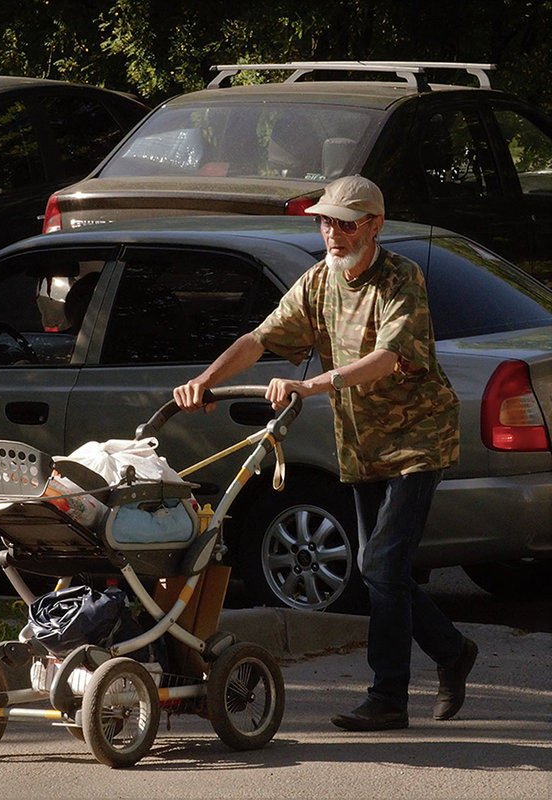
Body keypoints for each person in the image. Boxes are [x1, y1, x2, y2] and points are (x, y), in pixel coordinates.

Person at [173, 175, 478, 731]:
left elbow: (387, 359)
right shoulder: (318, 282)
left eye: (343, 222)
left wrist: (309, 387)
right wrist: (204, 381)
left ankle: (388, 697)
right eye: (323, 221)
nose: (331, 233)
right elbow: (260, 338)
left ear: (374, 225)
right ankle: (453, 652)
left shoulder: (400, 280)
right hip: (362, 444)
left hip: (417, 440)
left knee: (379, 565)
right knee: (380, 569)